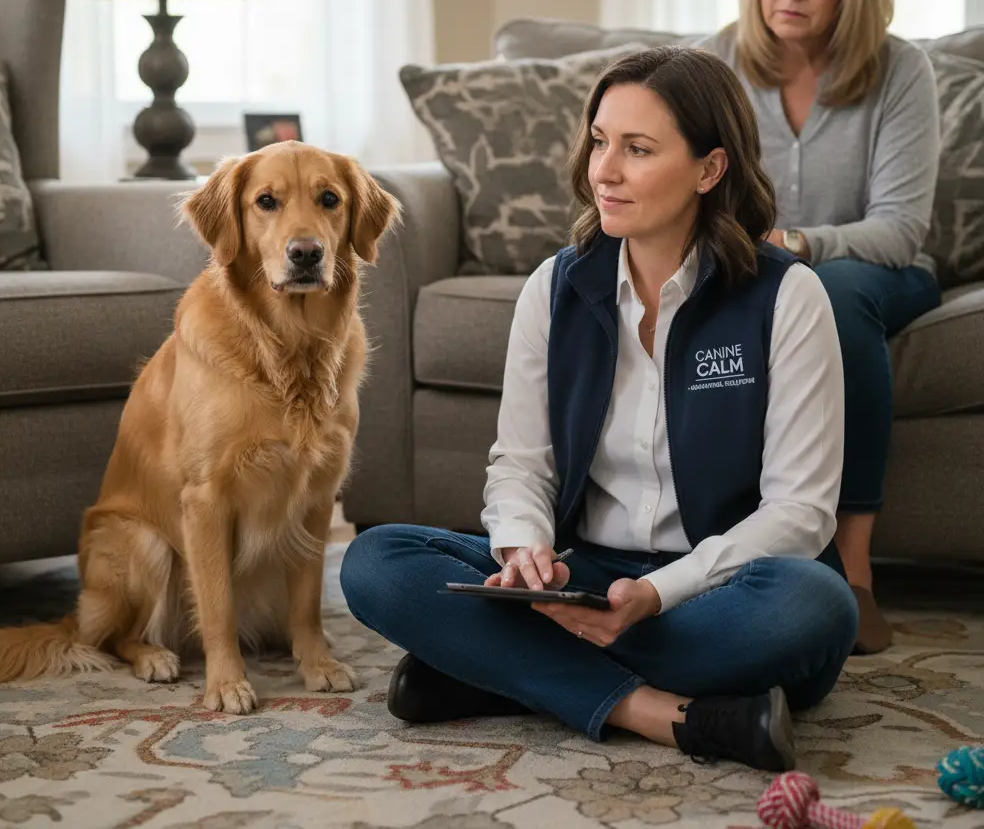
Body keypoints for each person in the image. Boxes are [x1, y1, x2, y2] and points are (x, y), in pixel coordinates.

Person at [341, 46, 858, 773]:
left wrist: (654, 593)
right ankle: (662, 713)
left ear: (710, 170)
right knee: (375, 561)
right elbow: (521, 465)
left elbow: (800, 514)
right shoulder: (553, 288)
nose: (603, 172)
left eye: (637, 150)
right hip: (584, 573)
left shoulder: (788, 297)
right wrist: (524, 550)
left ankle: (496, 670)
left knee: (814, 607)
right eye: (599, 142)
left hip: (720, 585)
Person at [698, 0, 942, 654]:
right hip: (752, 269)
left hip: (875, 277)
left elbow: (899, 229)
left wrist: (800, 246)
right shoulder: (714, 64)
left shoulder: (902, 72)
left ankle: (855, 570)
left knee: (828, 295)